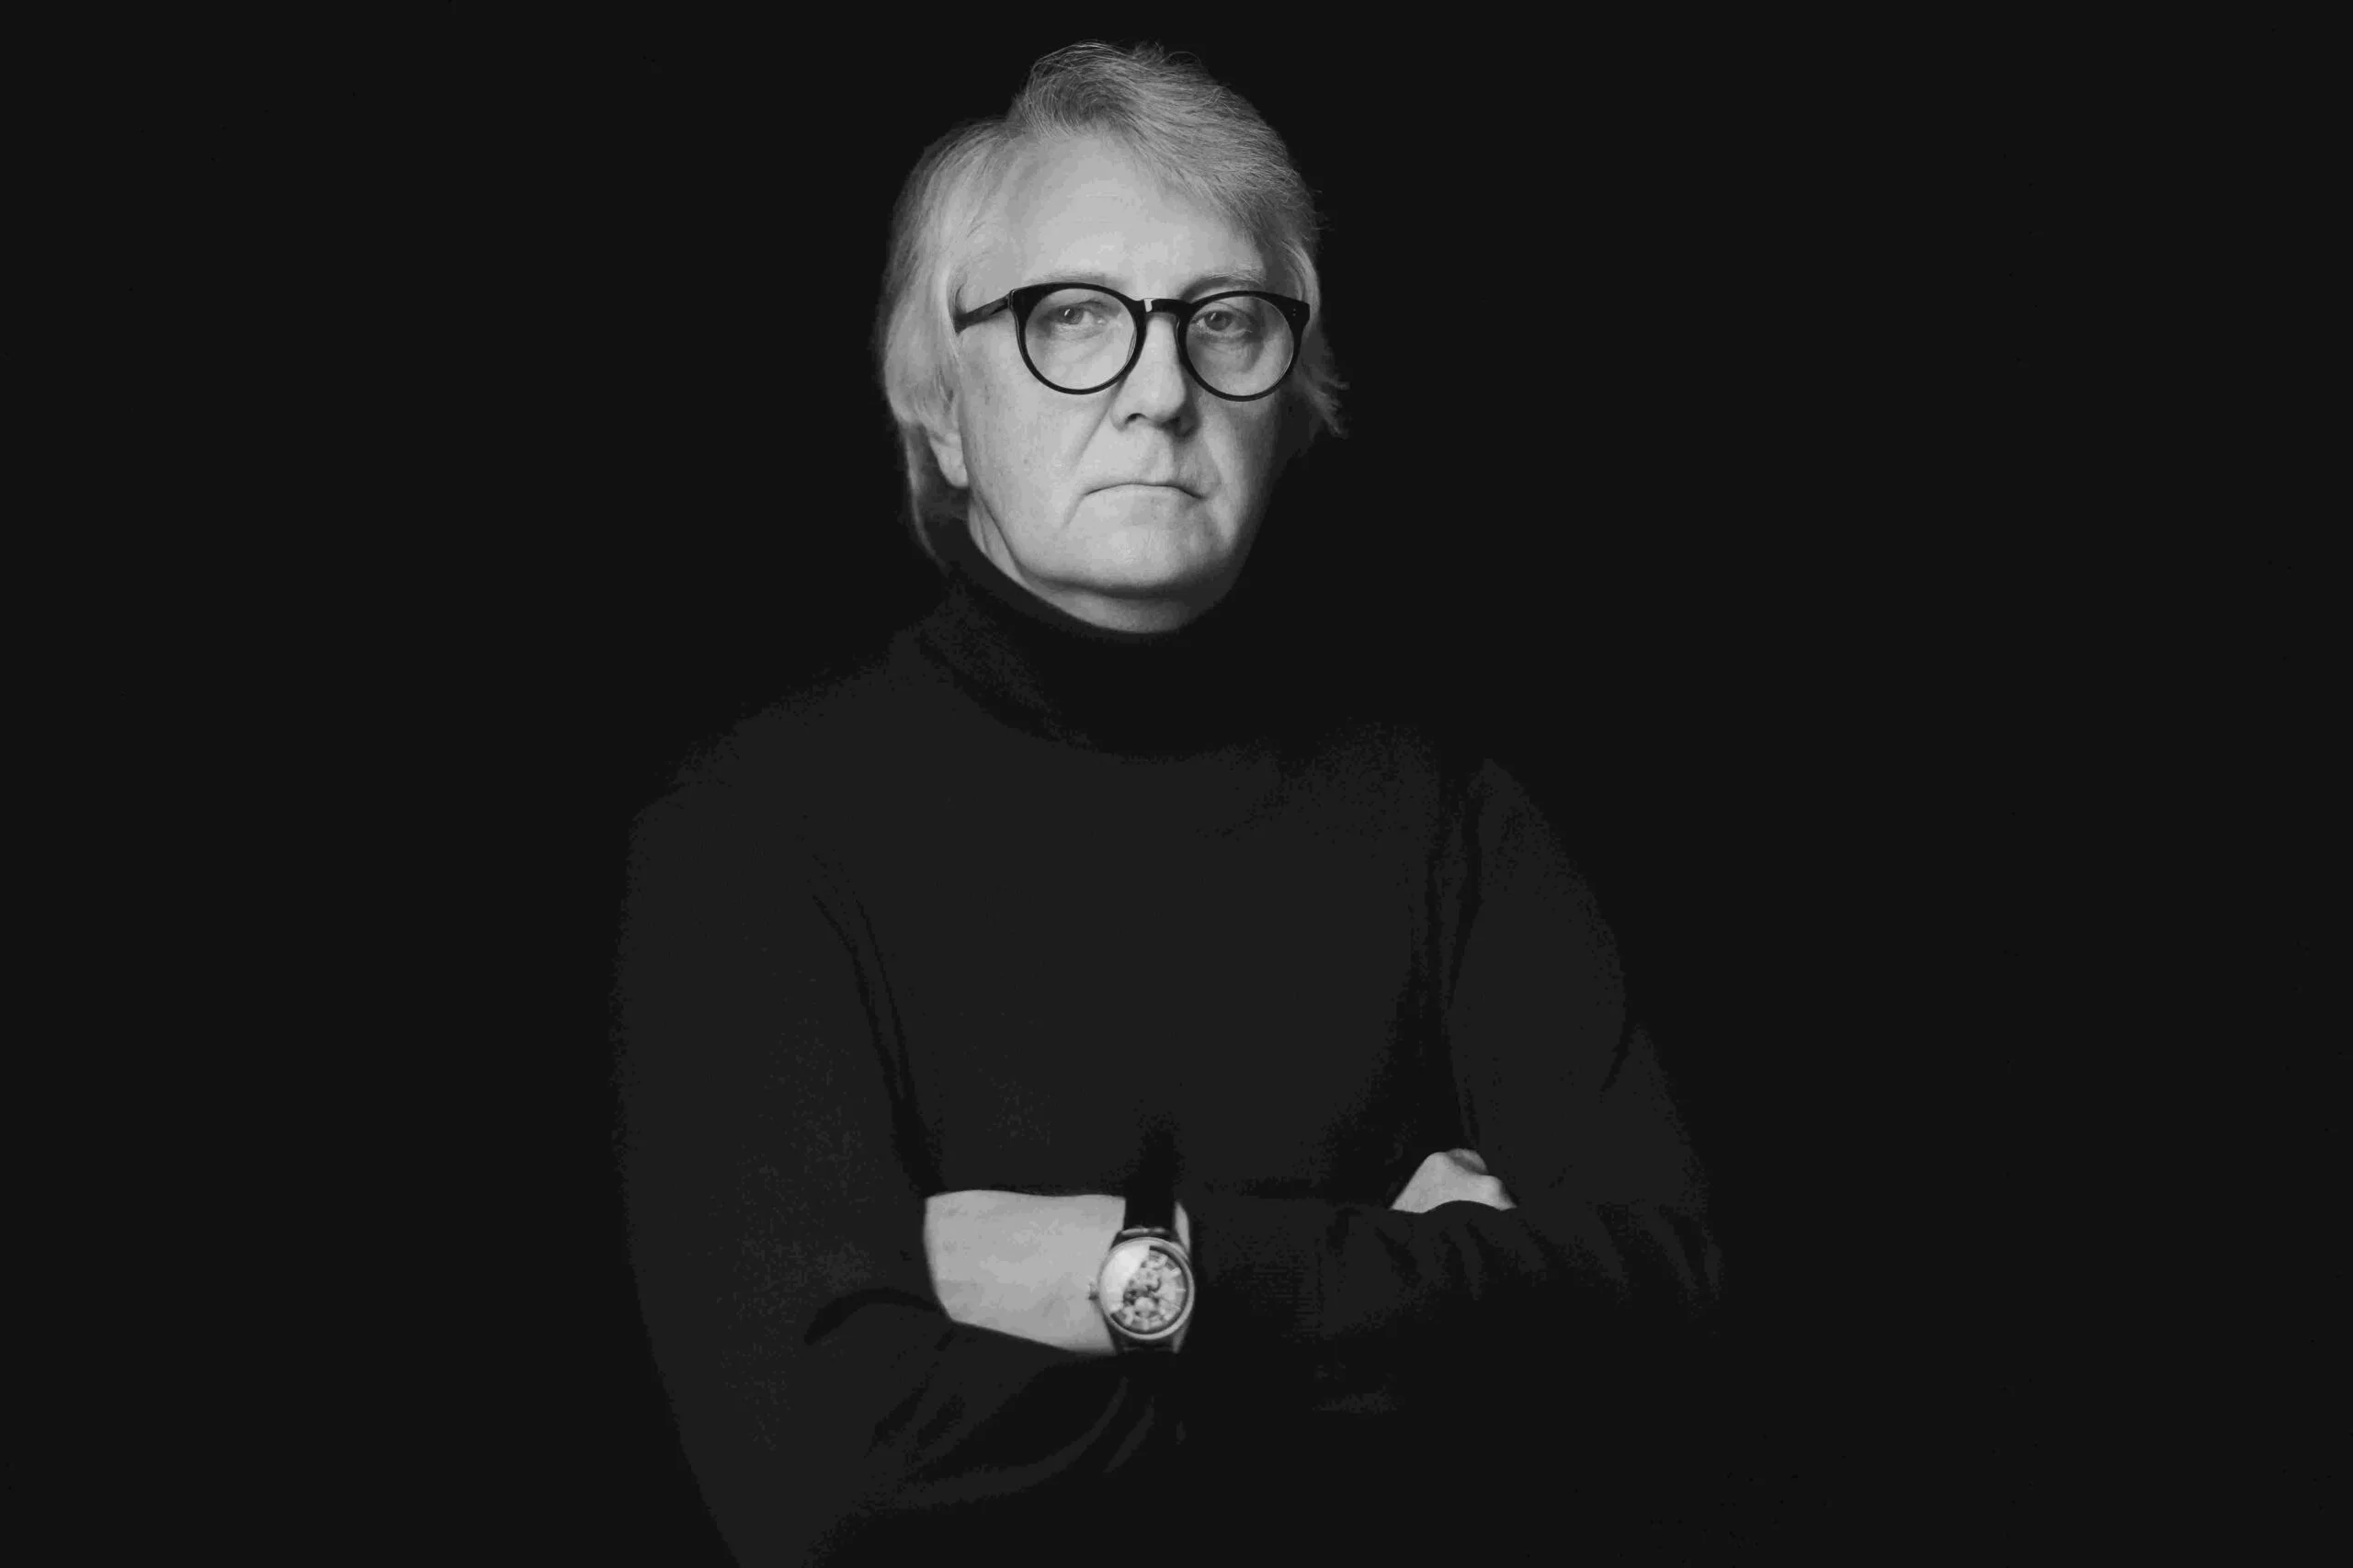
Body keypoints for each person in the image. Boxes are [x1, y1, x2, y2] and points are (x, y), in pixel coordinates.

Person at [613, 41, 1726, 1563]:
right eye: (1072, 315)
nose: (1158, 391)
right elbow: (825, 1477)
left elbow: (1666, 1337)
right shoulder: (752, 835)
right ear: (940, 408)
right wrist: (1405, 1319)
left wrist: (1137, 1270)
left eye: (1224, 320)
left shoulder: (1449, 811)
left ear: (1290, 395)